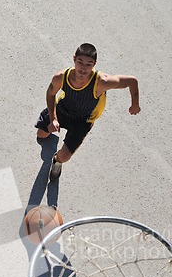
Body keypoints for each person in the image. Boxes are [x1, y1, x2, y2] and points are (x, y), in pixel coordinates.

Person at [35, 43, 141, 181]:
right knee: (41, 135)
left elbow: (132, 81)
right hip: (63, 109)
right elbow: (50, 94)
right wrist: (53, 118)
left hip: (83, 120)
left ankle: (57, 160)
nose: (83, 68)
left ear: (94, 64)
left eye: (89, 64)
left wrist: (135, 104)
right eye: (80, 62)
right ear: (74, 59)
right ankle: (53, 131)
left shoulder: (102, 82)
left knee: (65, 156)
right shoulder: (61, 77)